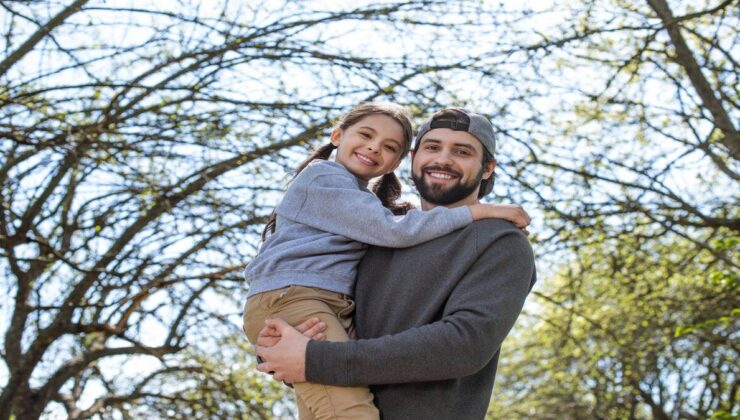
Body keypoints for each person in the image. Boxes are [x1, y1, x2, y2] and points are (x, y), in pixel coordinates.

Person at [242, 103, 530, 419]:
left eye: (462, 152)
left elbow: (464, 345)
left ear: (487, 168)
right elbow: (332, 339)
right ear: (411, 160)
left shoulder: (498, 240)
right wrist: (279, 350)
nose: (443, 159)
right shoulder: (377, 234)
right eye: (432, 147)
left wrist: (314, 359)